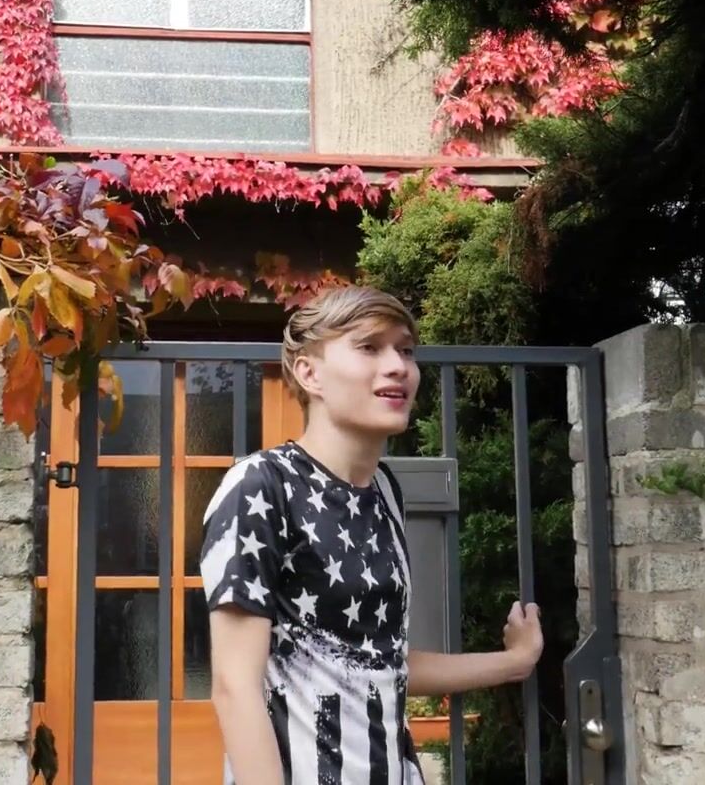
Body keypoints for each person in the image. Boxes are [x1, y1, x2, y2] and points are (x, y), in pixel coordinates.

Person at [202, 285, 544, 784]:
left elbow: (380, 664)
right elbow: (235, 687)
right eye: (369, 347)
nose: (398, 366)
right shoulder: (262, 485)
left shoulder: (385, 490)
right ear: (309, 373)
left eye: (405, 350)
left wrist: (514, 663)